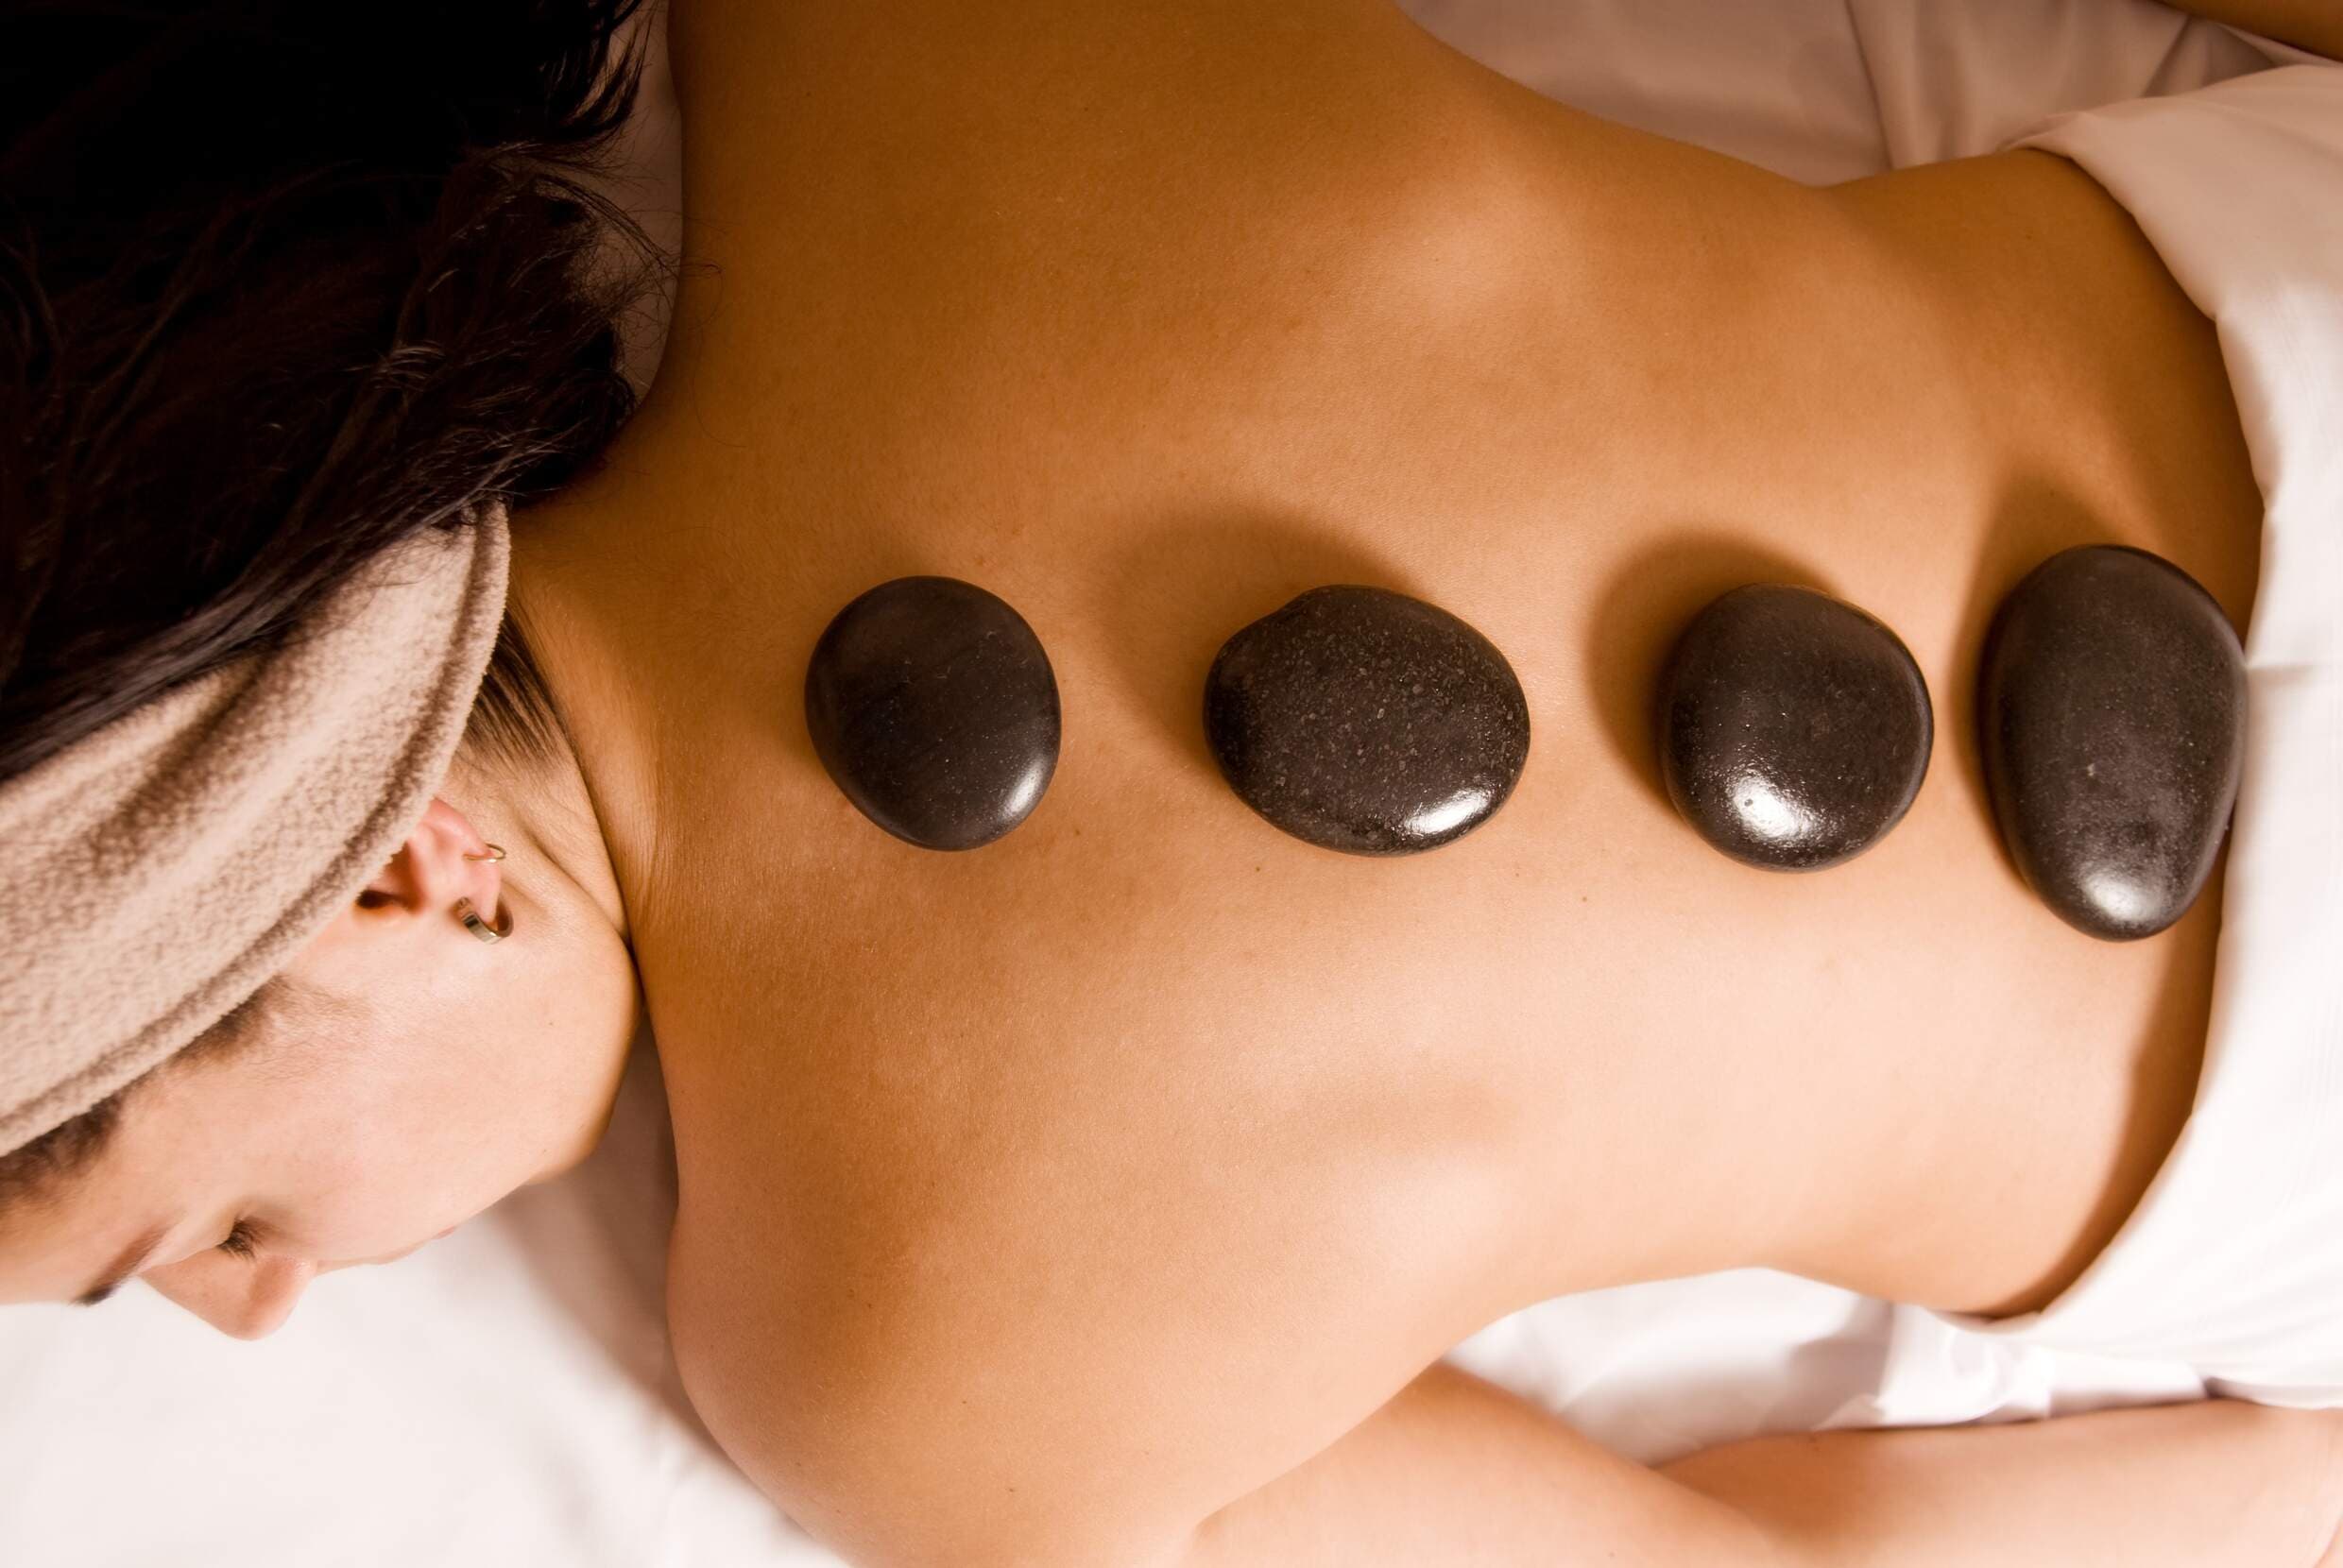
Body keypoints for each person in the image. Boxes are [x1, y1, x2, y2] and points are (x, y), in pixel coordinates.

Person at [5, 2, 2342, 1564]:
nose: (262, 1307)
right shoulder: (877, 58)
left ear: (406, 874)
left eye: (200, 1233)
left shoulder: (892, 1378)